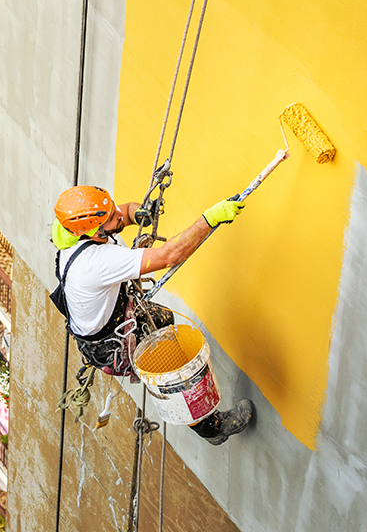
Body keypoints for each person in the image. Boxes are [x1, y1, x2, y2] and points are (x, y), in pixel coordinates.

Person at [51, 185, 254, 446]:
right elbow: (170, 256)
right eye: (111, 218)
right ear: (96, 231)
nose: (118, 216)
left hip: (100, 327)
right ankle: (209, 427)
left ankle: (202, 417)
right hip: (112, 342)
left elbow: (121, 213)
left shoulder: (69, 232)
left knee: (164, 319)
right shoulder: (98, 262)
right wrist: (210, 219)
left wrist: (138, 212)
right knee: (166, 358)